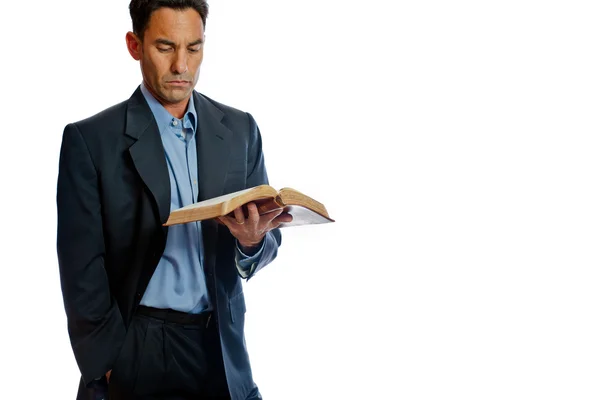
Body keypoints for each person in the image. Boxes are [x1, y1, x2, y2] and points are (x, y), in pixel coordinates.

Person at [56, 1, 291, 398]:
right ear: (135, 45)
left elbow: (266, 245)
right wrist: (109, 363)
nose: (182, 65)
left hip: (223, 345)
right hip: (140, 346)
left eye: (193, 48)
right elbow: (81, 269)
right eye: (166, 47)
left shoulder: (240, 130)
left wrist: (251, 242)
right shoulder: (91, 141)